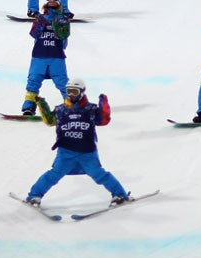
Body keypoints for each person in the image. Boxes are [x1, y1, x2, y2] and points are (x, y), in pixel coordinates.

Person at [23, 78, 131, 207]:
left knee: (99, 174)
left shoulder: (90, 109)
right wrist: (42, 105)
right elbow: (50, 121)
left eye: (74, 91)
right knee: (53, 175)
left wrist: (104, 106)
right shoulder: (61, 110)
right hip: (66, 152)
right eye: (69, 91)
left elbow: (103, 120)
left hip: (87, 152)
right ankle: (34, 196)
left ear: (81, 92)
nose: (71, 95)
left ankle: (120, 195)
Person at [20, 0, 71, 115]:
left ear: (58, 3)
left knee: (63, 82)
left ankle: (71, 107)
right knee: (33, 81)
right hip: (39, 55)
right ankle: (28, 108)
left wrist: (58, 26)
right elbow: (34, 34)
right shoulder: (40, 18)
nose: (52, 2)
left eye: (54, 0)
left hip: (56, 56)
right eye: (50, 0)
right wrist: (41, 22)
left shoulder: (63, 19)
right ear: (46, 3)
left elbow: (64, 39)